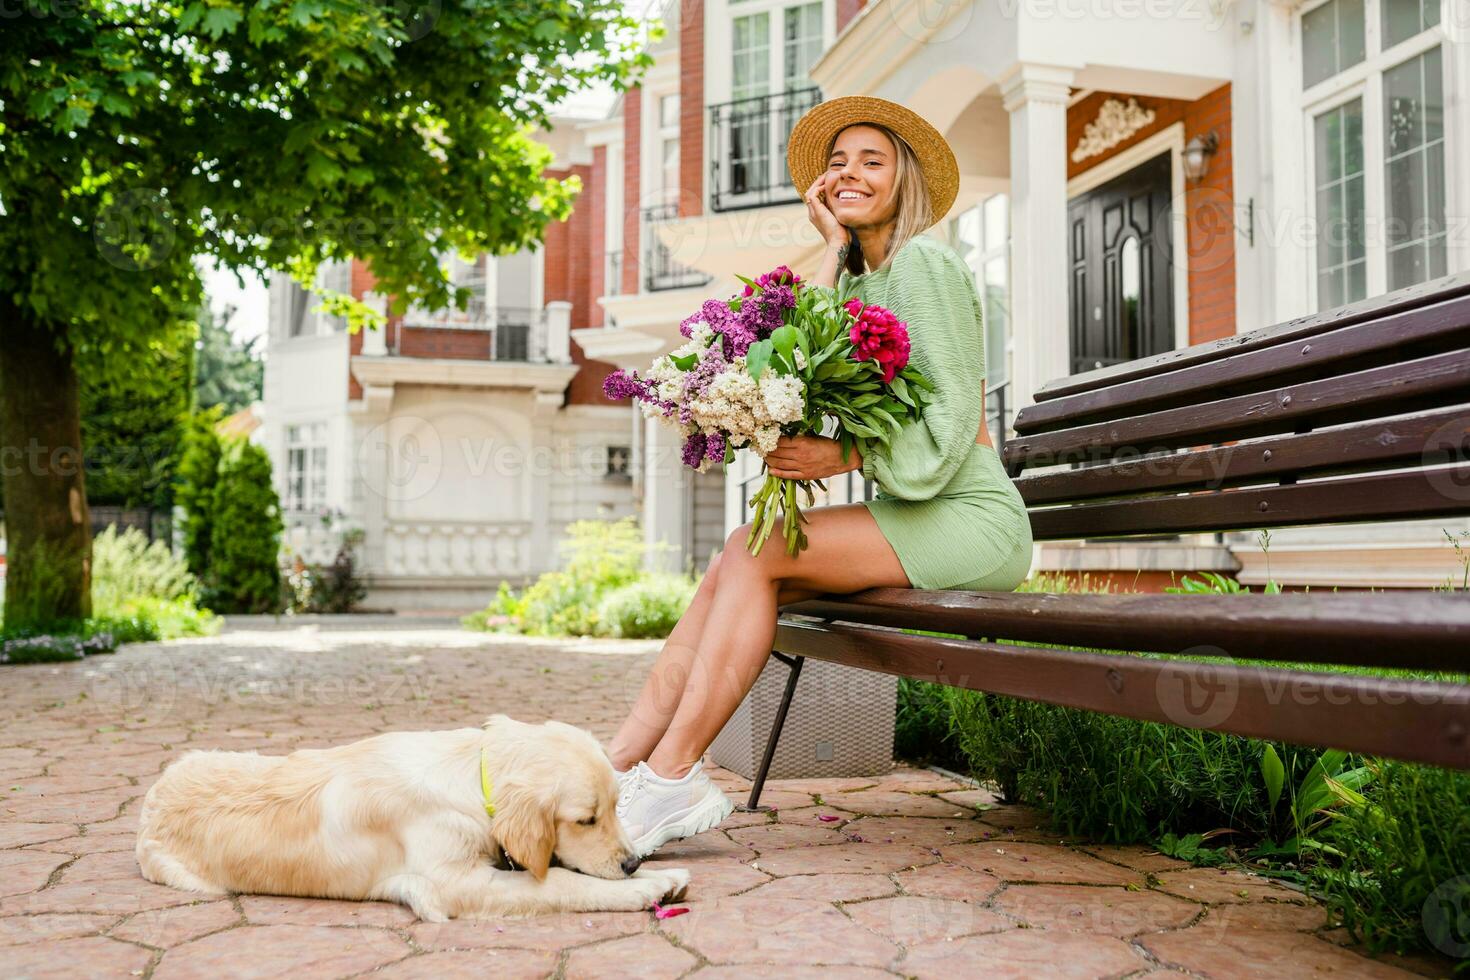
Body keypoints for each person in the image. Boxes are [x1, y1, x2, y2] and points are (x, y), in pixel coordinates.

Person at [610, 96, 1034, 858]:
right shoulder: (858, 279)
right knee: (733, 567)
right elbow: (846, 383)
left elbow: (950, 418)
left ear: (903, 180)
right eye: (837, 163)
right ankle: (612, 772)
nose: (848, 173)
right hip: (920, 517)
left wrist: (845, 458)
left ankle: (670, 776)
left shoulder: (925, 266)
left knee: (754, 548)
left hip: (970, 517)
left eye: (871, 161)